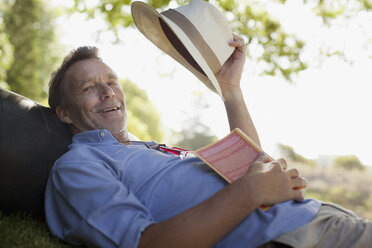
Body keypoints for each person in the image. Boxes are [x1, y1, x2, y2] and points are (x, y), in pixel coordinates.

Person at [45, 37, 372, 247]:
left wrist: (230, 90)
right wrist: (253, 190)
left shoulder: (151, 149)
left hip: (321, 216)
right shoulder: (78, 165)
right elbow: (144, 244)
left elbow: (250, 165)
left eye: (111, 81)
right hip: (292, 238)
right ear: (64, 113)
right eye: (88, 88)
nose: (107, 93)